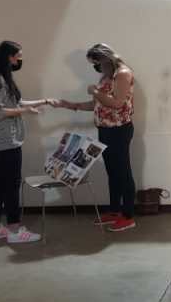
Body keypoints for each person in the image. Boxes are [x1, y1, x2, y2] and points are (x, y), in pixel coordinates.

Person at [52, 44, 137, 232]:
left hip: (119, 130)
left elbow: (117, 103)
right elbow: (97, 104)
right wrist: (70, 105)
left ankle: (128, 216)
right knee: (112, 172)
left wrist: (95, 91)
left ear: (105, 59)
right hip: (105, 129)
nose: (96, 67)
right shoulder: (107, 76)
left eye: (96, 63)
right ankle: (114, 211)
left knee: (123, 172)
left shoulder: (123, 74)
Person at [0, 41, 49, 243]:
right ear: (8, 57)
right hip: (5, 140)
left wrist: (44, 101)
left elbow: (16, 104)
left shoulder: (3, 78)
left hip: (8, 140)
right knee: (11, 184)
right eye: (18, 55)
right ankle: (14, 230)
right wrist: (25, 111)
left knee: (0, 183)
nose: (20, 59)